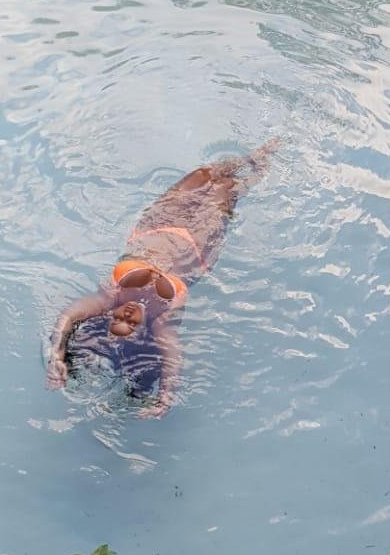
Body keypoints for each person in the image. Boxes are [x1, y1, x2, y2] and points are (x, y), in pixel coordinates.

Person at [46, 139, 278, 418]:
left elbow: (68, 317)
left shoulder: (111, 298)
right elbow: (172, 359)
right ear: (143, 331)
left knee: (205, 174)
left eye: (118, 320)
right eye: (131, 324)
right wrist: (164, 399)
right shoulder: (161, 320)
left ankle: (254, 154)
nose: (126, 316)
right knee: (228, 187)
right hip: (199, 241)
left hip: (158, 222)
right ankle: (268, 160)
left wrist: (57, 355)